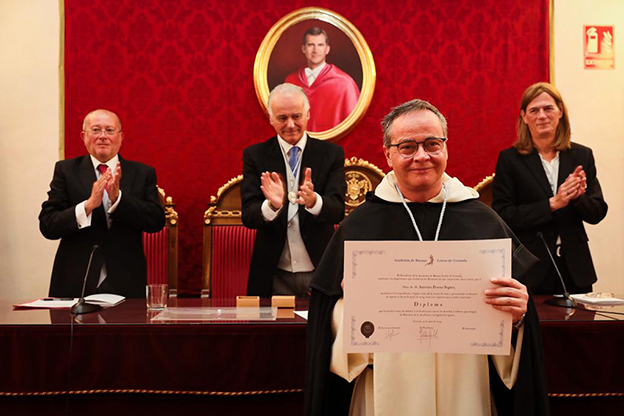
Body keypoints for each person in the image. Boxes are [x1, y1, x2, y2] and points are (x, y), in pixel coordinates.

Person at [305, 99, 549, 415]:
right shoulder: (359, 227)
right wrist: (351, 310)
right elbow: (325, 328)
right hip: (383, 389)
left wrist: (516, 319)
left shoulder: (484, 222)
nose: (421, 156)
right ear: (388, 154)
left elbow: (513, 333)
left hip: (464, 388)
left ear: (446, 148)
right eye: (407, 146)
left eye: (432, 144)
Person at [492, 82, 608, 295]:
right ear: (524, 117)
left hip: (576, 268)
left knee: (580, 328)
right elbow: (503, 215)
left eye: (548, 108)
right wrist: (553, 204)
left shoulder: (582, 156)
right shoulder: (510, 160)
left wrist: (579, 197)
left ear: (560, 112)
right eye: (534, 110)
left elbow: (597, 213)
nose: (542, 116)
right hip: (531, 268)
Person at [39, 109, 165, 298]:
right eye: (96, 130)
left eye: (109, 130)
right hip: (75, 279)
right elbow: (48, 226)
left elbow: (155, 221)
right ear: (84, 136)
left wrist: (118, 200)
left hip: (126, 280)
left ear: (120, 137)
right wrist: (88, 206)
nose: (102, 137)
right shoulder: (66, 171)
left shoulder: (142, 173)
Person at [241, 83, 346, 298]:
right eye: (282, 118)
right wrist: (272, 206)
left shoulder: (331, 154)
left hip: (320, 269)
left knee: (322, 331)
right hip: (273, 273)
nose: (290, 125)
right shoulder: (255, 155)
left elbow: (337, 210)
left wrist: (314, 201)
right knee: (274, 332)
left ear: (307, 115)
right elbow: (249, 216)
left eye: (296, 116)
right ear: (270, 118)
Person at [285, 27, 360, 132]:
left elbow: (354, 127)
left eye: (320, 45)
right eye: (311, 45)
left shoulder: (345, 84)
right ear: (303, 49)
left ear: (327, 49)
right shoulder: (291, 81)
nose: (315, 50)